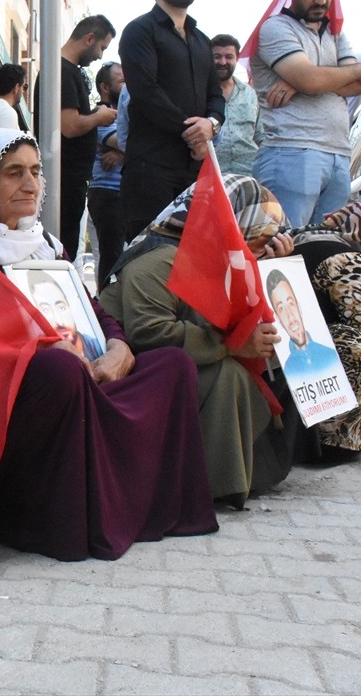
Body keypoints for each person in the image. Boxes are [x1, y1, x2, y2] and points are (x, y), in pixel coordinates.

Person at [0, 127, 216, 561]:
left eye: (35, 171)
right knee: (62, 371)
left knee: (172, 365)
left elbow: (94, 310)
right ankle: (65, 524)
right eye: (13, 173)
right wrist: (43, 349)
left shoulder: (46, 245)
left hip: (87, 369)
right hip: (27, 390)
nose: (30, 184)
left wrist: (118, 346)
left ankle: (155, 509)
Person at [99, 175, 295, 507]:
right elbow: (149, 333)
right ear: (231, 223)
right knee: (227, 374)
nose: (260, 248)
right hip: (133, 368)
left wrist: (273, 268)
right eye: (259, 238)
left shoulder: (214, 255)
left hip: (177, 358)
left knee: (252, 371)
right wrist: (230, 345)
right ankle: (209, 486)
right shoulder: (160, 258)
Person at [250, 0, 361, 226]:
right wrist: (357, 69)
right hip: (292, 150)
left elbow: (360, 86)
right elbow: (315, 80)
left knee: (325, 253)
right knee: (283, 251)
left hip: (339, 153)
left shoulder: (335, 32)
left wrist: (308, 79)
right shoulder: (275, 28)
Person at [118, 0, 225, 238]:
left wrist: (211, 125)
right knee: (149, 257)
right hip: (151, 167)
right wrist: (193, 133)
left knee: (196, 261)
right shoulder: (139, 31)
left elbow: (215, 96)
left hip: (196, 169)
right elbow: (146, 92)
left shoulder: (203, 41)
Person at [287, 200, 361, 454]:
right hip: (314, 370)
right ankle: (336, 445)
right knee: (350, 342)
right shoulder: (352, 261)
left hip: (286, 358)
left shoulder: (301, 236)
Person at [35, 15, 117, 257]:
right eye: (102, 47)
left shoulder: (64, 71)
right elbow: (69, 126)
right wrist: (99, 117)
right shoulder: (62, 72)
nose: (100, 55)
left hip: (68, 178)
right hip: (64, 179)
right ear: (89, 38)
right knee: (63, 248)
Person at [87, 62, 126, 289]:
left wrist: (121, 156)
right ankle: (107, 313)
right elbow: (127, 143)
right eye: (121, 81)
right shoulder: (102, 114)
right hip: (108, 194)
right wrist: (126, 150)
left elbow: (127, 147)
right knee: (110, 258)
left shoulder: (125, 114)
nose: (128, 86)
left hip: (123, 193)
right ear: (104, 86)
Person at [211, 33, 264, 176]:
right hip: (213, 178)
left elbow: (261, 138)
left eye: (229, 57)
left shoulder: (251, 95)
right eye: (217, 57)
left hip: (250, 177)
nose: (223, 62)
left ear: (237, 58)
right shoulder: (199, 94)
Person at [265, 269, 335, 377]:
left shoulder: (331, 356)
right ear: (278, 319)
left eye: (291, 304)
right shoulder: (288, 370)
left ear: (299, 307)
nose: (291, 316)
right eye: (281, 309)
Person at [25, 269, 104, 360]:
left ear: (71, 307)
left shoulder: (97, 346)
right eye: (46, 310)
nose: (59, 321)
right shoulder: (40, 356)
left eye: (61, 308)